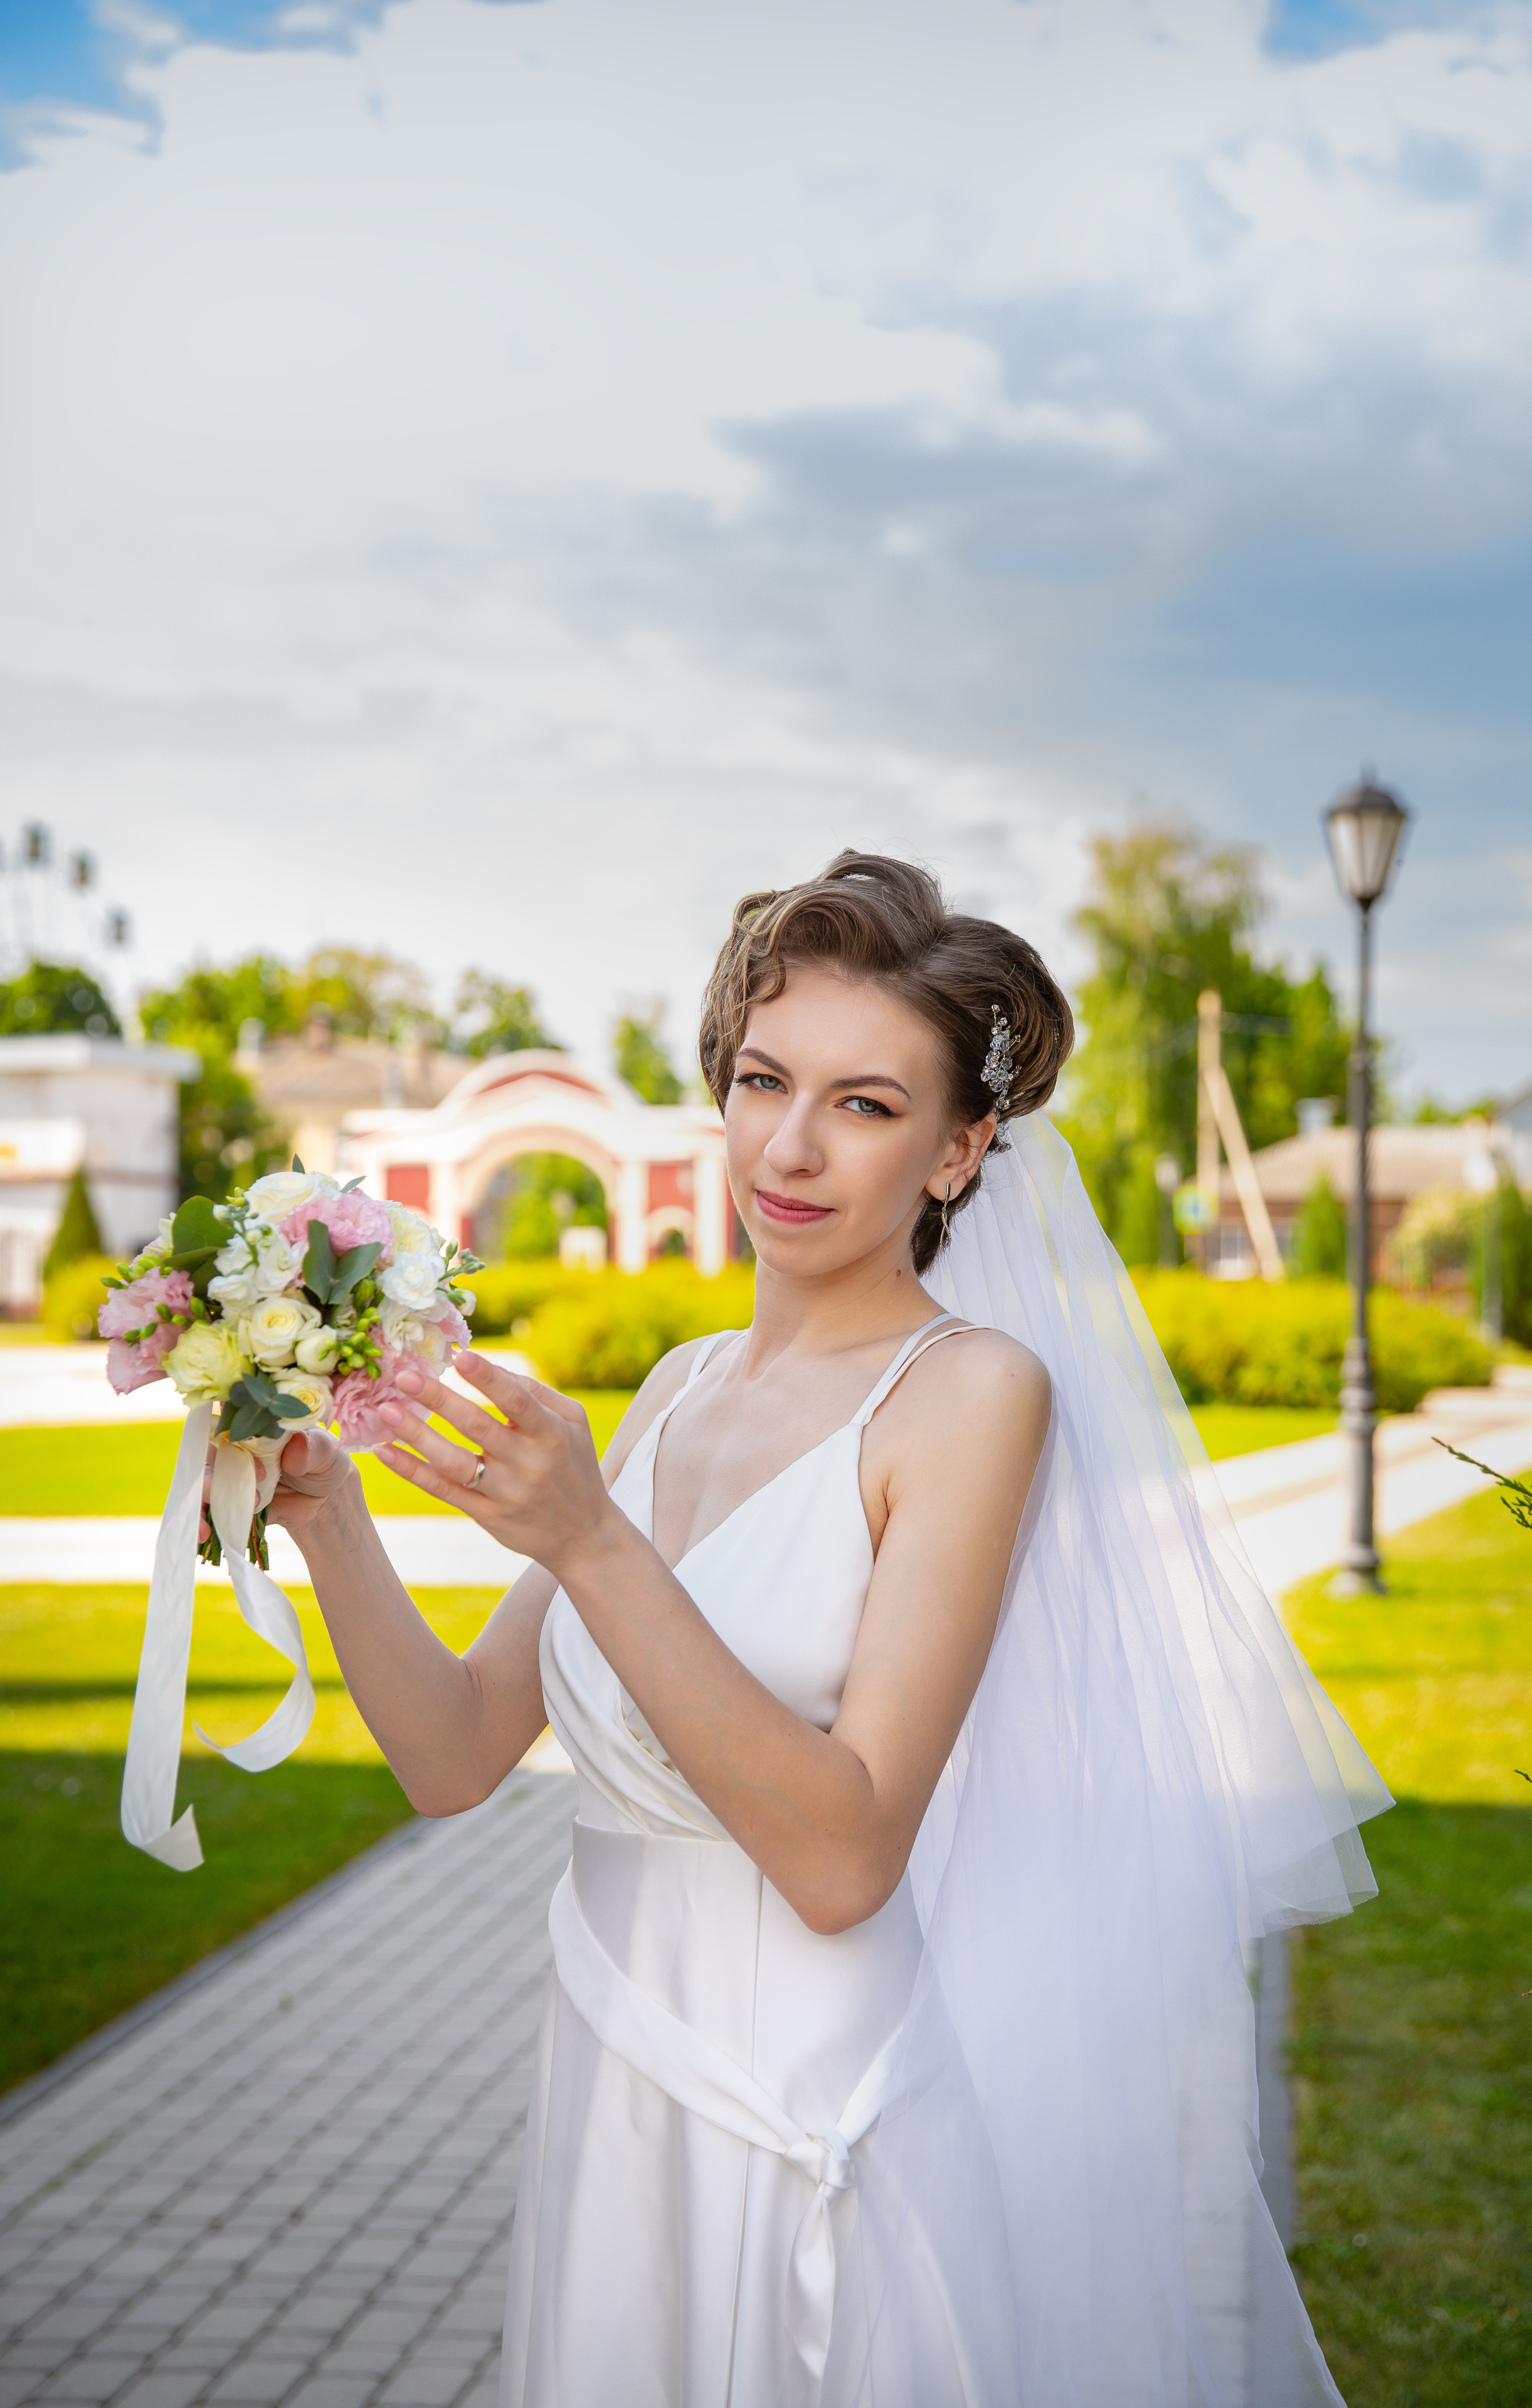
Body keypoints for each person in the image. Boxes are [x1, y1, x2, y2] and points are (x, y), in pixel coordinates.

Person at [261, 852, 1388, 2407]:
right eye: (759, 1081)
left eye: (864, 1105)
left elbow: (845, 1860)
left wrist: (591, 1539)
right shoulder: (675, 1388)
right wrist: (325, 1516)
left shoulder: (970, 1396)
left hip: (810, 2109)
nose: (787, 1148)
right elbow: (453, 1757)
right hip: (614, 2075)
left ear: (957, 1150)